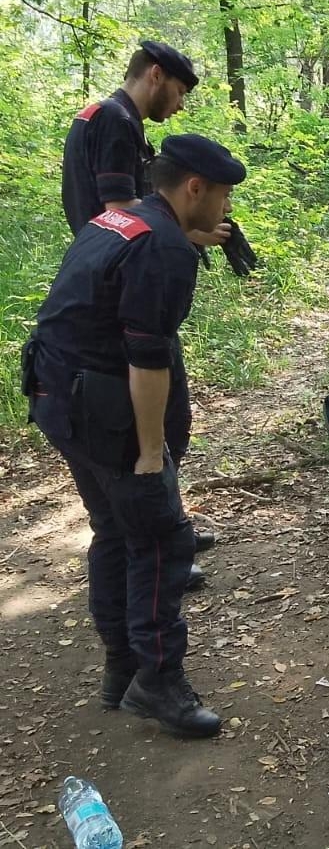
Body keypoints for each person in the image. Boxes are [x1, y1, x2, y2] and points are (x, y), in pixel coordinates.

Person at [24, 134, 246, 737]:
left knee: (115, 533)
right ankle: (157, 682)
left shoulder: (120, 219)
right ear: (194, 188)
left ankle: (120, 669)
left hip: (58, 399)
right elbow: (146, 359)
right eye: (222, 195)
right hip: (104, 412)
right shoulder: (163, 248)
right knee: (159, 539)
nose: (226, 208)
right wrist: (152, 450)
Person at [61, 39, 235, 585]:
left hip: (100, 284)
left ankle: (165, 524)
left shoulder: (100, 115)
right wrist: (193, 231)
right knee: (157, 424)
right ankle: (161, 545)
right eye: (180, 92)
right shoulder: (115, 120)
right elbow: (120, 211)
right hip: (126, 292)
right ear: (155, 76)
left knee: (160, 423)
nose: (180, 105)